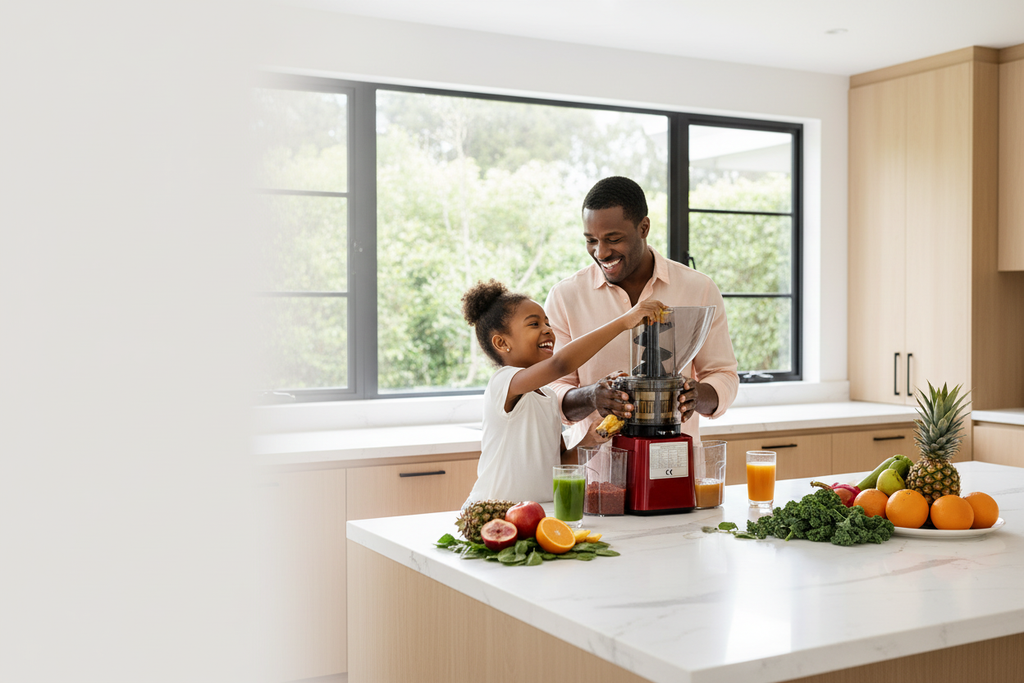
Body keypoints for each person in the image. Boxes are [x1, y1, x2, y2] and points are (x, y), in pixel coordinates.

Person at [545, 176, 739, 449]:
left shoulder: (699, 288)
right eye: (591, 240)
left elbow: (723, 374)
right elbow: (550, 389)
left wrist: (697, 395)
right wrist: (592, 397)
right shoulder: (566, 296)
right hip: (594, 470)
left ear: (644, 227)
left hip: (674, 462)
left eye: (613, 239)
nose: (601, 252)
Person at [461, 279, 664, 505]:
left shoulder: (547, 396)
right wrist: (624, 322)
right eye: (534, 324)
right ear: (501, 342)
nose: (548, 329)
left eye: (547, 323)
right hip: (493, 514)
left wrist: (591, 439)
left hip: (538, 517)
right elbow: (560, 365)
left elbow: (562, 464)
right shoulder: (503, 383)